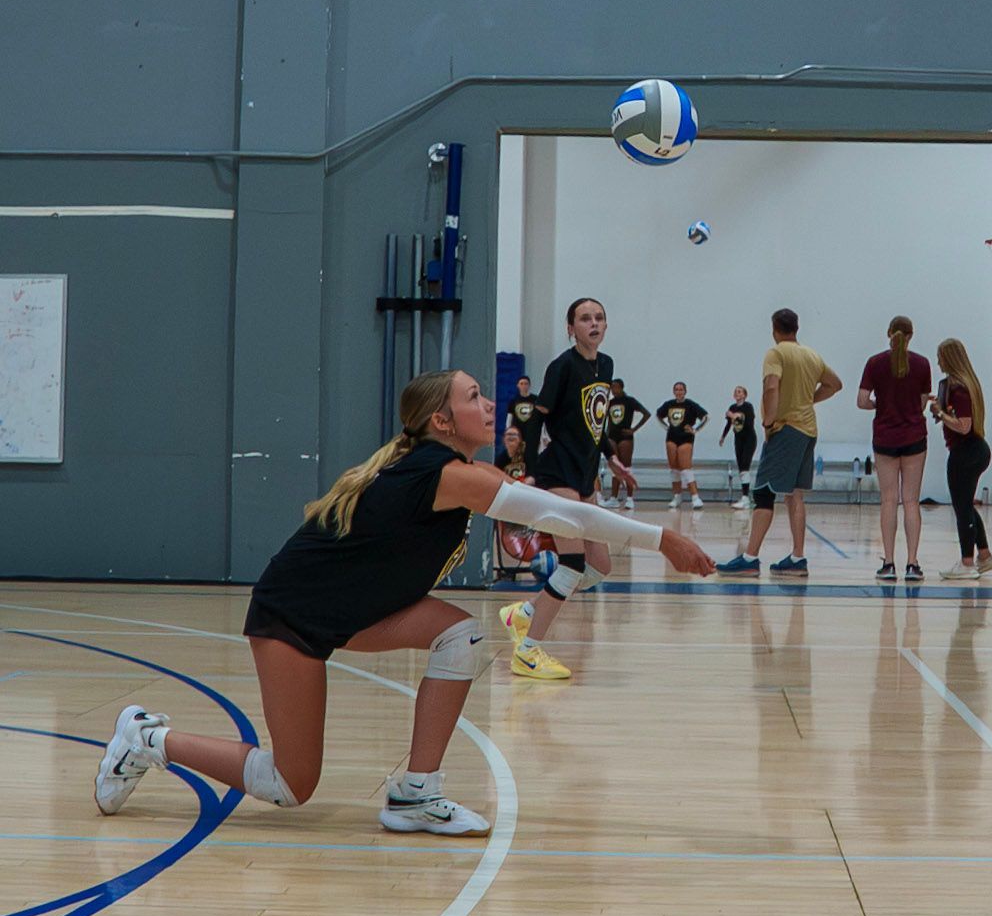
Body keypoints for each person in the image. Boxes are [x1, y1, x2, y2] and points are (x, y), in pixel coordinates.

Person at [94, 369, 713, 833]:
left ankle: (417, 793)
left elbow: (554, 511)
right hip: (294, 614)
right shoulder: (443, 473)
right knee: (288, 784)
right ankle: (147, 737)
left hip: (357, 610)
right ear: (442, 421)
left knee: (462, 635)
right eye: (473, 397)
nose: (488, 404)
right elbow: (558, 511)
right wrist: (663, 539)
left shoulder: (458, 469)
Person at [500, 297, 640, 679]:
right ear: (570, 328)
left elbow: (594, 424)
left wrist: (612, 459)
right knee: (572, 564)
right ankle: (528, 651)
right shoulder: (562, 367)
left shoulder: (606, 365)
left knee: (600, 566)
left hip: (584, 474)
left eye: (599, 318)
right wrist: (527, 471)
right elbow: (536, 420)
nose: (593, 324)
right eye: (584, 318)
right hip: (556, 473)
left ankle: (525, 613)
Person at [717, 310, 841, 577]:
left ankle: (749, 558)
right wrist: (808, 400)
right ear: (797, 327)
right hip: (808, 430)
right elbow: (835, 384)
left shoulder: (776, 353)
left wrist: (769, 420)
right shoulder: (811, 355)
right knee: (794, 494)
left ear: (774, 329)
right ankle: (798, 558)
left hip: (786, 429)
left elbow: (771, 386)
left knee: (763, 492)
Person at [858, 315, 933, 581]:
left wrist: (881, 405)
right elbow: (923, 403)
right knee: (911, 501)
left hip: (885, 438)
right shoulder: (922, 364)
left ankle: (888, 563)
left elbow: (862, 400)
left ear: (888, 332)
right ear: (911, 335)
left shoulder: (874, 363)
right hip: (914, 436)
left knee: (888, 501)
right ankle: (912, 564)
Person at [930, 339, 992, 580]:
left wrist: (940, 413)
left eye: (940, 356)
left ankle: (967, 562)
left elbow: (963, 426)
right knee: (966, 505)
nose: (938, 361)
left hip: (966, 452)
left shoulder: (959, 389)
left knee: (961, 509)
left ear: (949, 358)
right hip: (976, 450)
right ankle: (984, 555)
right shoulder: (966, 385)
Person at [656, 382, 709, 510]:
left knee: (685, 468)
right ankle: (677, 496)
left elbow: (705, 417)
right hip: (671, 438)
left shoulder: (690, 404)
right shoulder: (669, 404)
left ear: (685, 391)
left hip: (686, 438)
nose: (679, 392)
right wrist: (667, 428)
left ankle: (695, 497)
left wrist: (695, 429)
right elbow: (658, 415)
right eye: (676, 389)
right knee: (674, 468)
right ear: (673, 391)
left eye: (681, 389)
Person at [605, 378, 650, 509]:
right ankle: (614, 497)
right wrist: (606, 435)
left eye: (616, 387)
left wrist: (633, 429)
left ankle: (630, 498)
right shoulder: (610, 403)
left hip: (625, 437)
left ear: (622, 387)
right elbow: (608, 420)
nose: (614, 390)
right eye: (612, 388)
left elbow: (646, 414)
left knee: (626, 466)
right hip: (612, 436)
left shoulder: (630, 401)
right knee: (615, 466)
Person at [722, 386, 758, 510]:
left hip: (749, 439)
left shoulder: (748, 407)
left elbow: (748, 422)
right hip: (738, 439)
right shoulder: (732, 408)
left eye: (739, 391)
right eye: (735, 391)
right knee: (740, 467)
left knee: (745, 467)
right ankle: (745, 497)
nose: (737, 393)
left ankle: (745, 498)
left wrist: (733, 416)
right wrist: (723, 437)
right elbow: (728, 424)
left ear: (744, 395)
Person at [506, 375, 539, 451]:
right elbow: (509, 418)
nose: (524, 386)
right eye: (521, 383)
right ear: (517, 385)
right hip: (517, 433)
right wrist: (508, 431)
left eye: (526, 383)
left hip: (531, 433)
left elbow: (540, 417)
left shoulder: (536, 400)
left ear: (529, 385)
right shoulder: (513, 401)